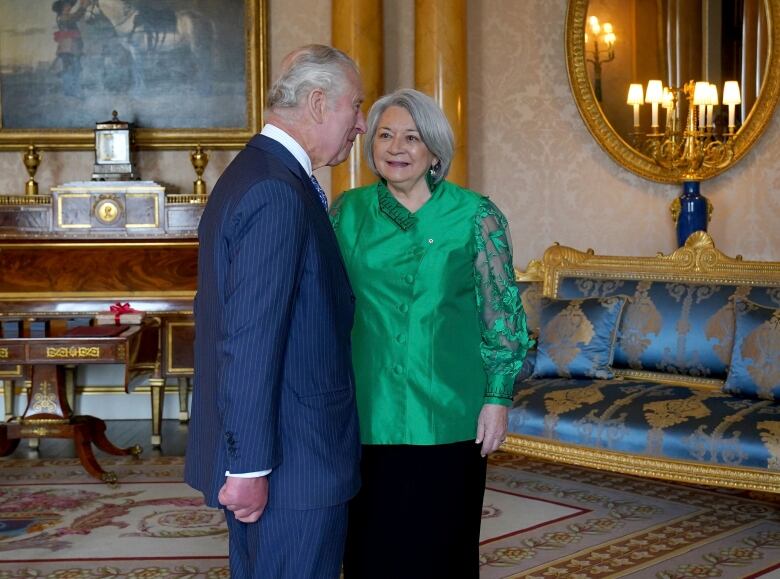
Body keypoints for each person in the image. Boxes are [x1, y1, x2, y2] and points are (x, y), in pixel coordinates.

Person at [330, 88, 532, 579]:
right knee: (369, 547)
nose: (396, 147)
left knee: (442, 547)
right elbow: (326, 308)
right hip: (367, 410)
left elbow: (502, 316)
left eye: (411, 137)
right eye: (385, 135)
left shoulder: (476, 215)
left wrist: (497, 398)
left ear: (435, 151)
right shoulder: (346, 212)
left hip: (449, 412)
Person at [184, 44, 367, 578]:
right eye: (354, 107)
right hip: (293, 461)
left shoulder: (261, 172)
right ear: (317, 102)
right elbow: (250, 339)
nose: (359, 124)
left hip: (287, 453)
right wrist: (249, 466)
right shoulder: (276, 191)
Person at [51, 0, 89, 97]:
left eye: (69, 5)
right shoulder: (63, 18)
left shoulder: (64, 17)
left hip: (72, 49)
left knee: (74, 70)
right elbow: (76, 16)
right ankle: (70, 93)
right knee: (70, 70)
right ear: (61, 8)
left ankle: (73, 92)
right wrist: (83, 6)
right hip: (68, 49)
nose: (69, 7)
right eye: (66, 6)